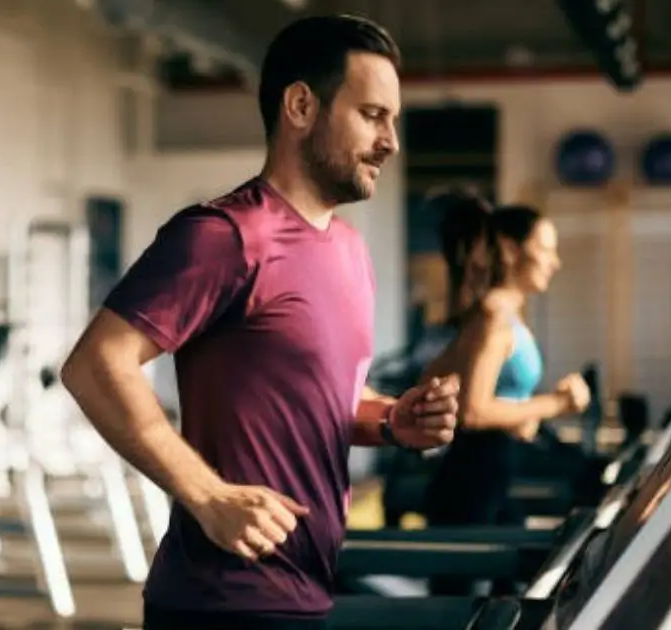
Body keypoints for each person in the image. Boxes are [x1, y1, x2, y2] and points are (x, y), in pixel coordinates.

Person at [59, 14, 461, 630]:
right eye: (373, 116)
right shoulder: (225, 236)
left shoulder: (349, 250)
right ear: (300, 105)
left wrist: (390, 420)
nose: (391, 142)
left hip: (305, 589)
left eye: (394, 121)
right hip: (222, 601)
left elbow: (323, 401)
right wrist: (208, 495)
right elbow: (95, 364)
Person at [419, 194, 592, 595]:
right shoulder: (495, 316)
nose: (555, 261)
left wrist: (521, 412)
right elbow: (474, 412)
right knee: (472, 614)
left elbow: (435, 374)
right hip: (474, 483)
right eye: (546, 248)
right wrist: (557, 405)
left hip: (488, 477)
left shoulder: (494, 313)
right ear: (513, 250)